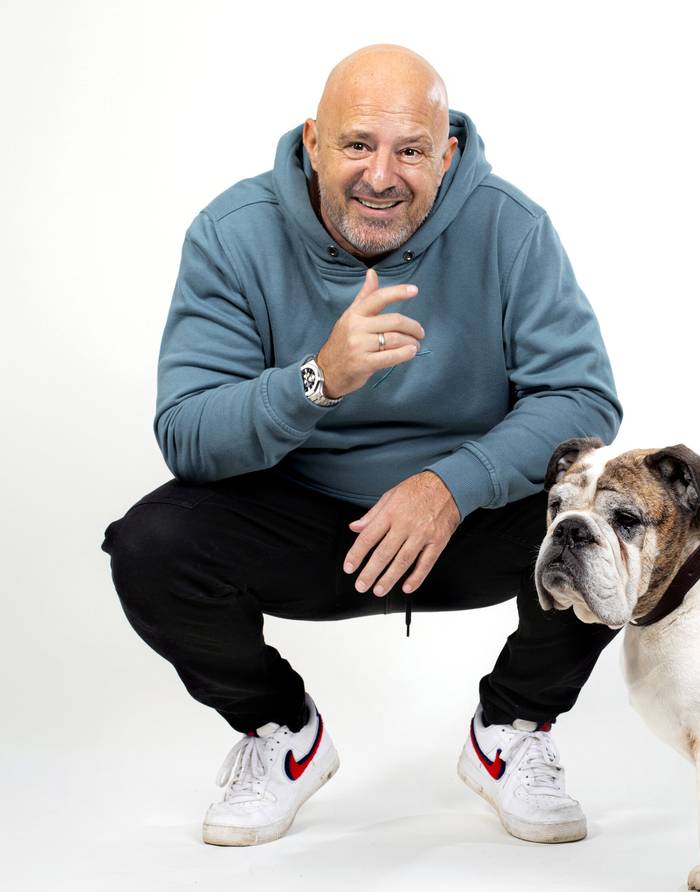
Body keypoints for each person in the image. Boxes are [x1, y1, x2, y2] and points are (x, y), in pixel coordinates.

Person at [101, 44, 623, 848]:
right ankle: (282, 732)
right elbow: (188, 433)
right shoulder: (231, 233)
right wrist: (319, 380)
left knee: (621, 519)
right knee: (151, 545)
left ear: (446, 154)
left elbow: (582, 399)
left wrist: (452, 485)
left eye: (411, 150)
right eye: (356, 144)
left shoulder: (510, 227)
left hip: (468, 522)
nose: (381, 176)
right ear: (314, 142)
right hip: (309, 523)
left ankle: (513, 727)